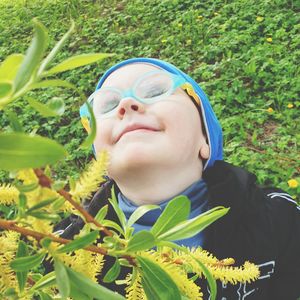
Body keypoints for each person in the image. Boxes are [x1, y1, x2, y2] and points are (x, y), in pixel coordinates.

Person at [55, 58, 300, 299]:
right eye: (106, 105)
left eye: (155, 89)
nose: (127, 103)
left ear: (205, 140)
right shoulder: (62, 248)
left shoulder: (279, 217)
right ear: (101, 165)